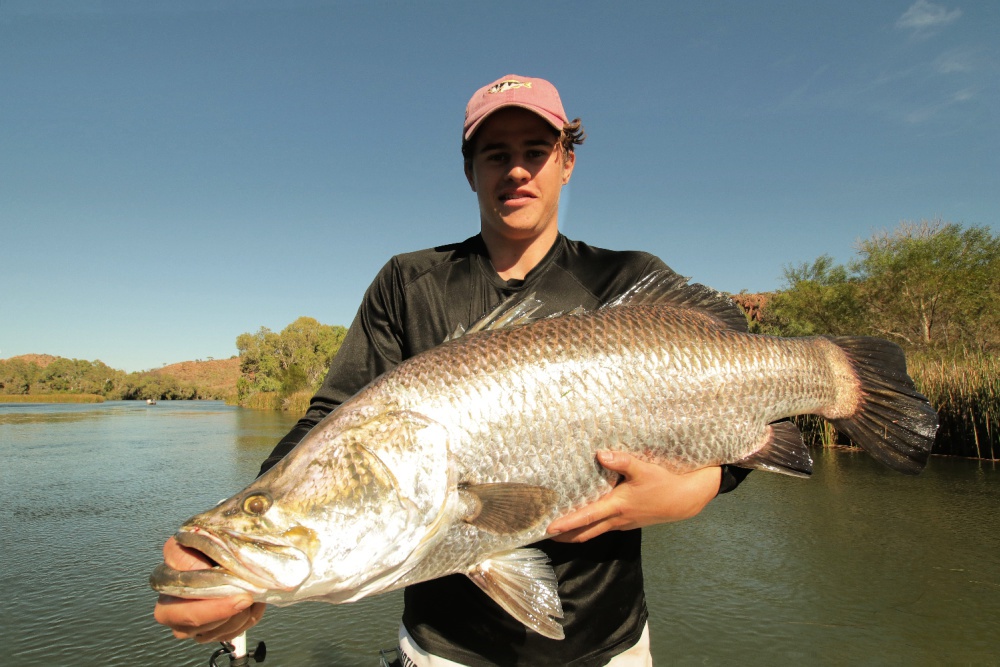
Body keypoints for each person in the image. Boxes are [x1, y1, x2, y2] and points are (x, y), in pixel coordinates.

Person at [154, 74, 749, 665]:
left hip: (610, 644)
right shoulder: (407, 285)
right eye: (495, 154)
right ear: (469, 171)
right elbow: (330, 418)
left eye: (535, 152)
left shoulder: (628, 285)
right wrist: (233, 541)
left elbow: (750, 399)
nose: (516, 169)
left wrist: (702, 486)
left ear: (566, 162)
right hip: (445, 650)